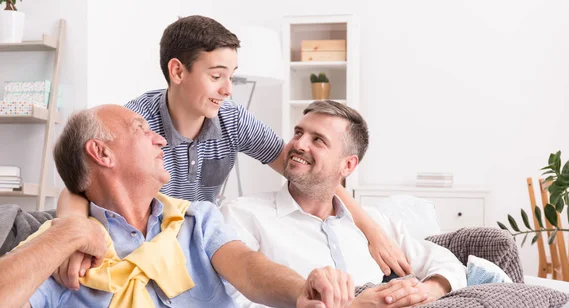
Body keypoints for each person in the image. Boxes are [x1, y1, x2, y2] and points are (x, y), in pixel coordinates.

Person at [0, 105, 404, 308]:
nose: (160, 137)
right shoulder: (58, 248)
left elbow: (247, 267)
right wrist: (67, 232)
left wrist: (302, 290)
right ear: (102, 154)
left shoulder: (195, 220)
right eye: (142, 129)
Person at [220, 100, 569, 308]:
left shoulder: (373, 225)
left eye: (318, 140)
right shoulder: (245, 214)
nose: (299, 144)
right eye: (299, 133)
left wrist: (430, 289)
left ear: (347, 166)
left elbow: (441, 260)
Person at [55, 15, 411, 289]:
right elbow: (78, 183)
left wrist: (370, 229)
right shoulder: (138, 124)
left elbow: (305, 168)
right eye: (217, 76)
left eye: (232, 76)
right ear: (177, 71)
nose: (227, 90)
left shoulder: (232, 120)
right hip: (144, 248)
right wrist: (71, 231)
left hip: (202, 244)